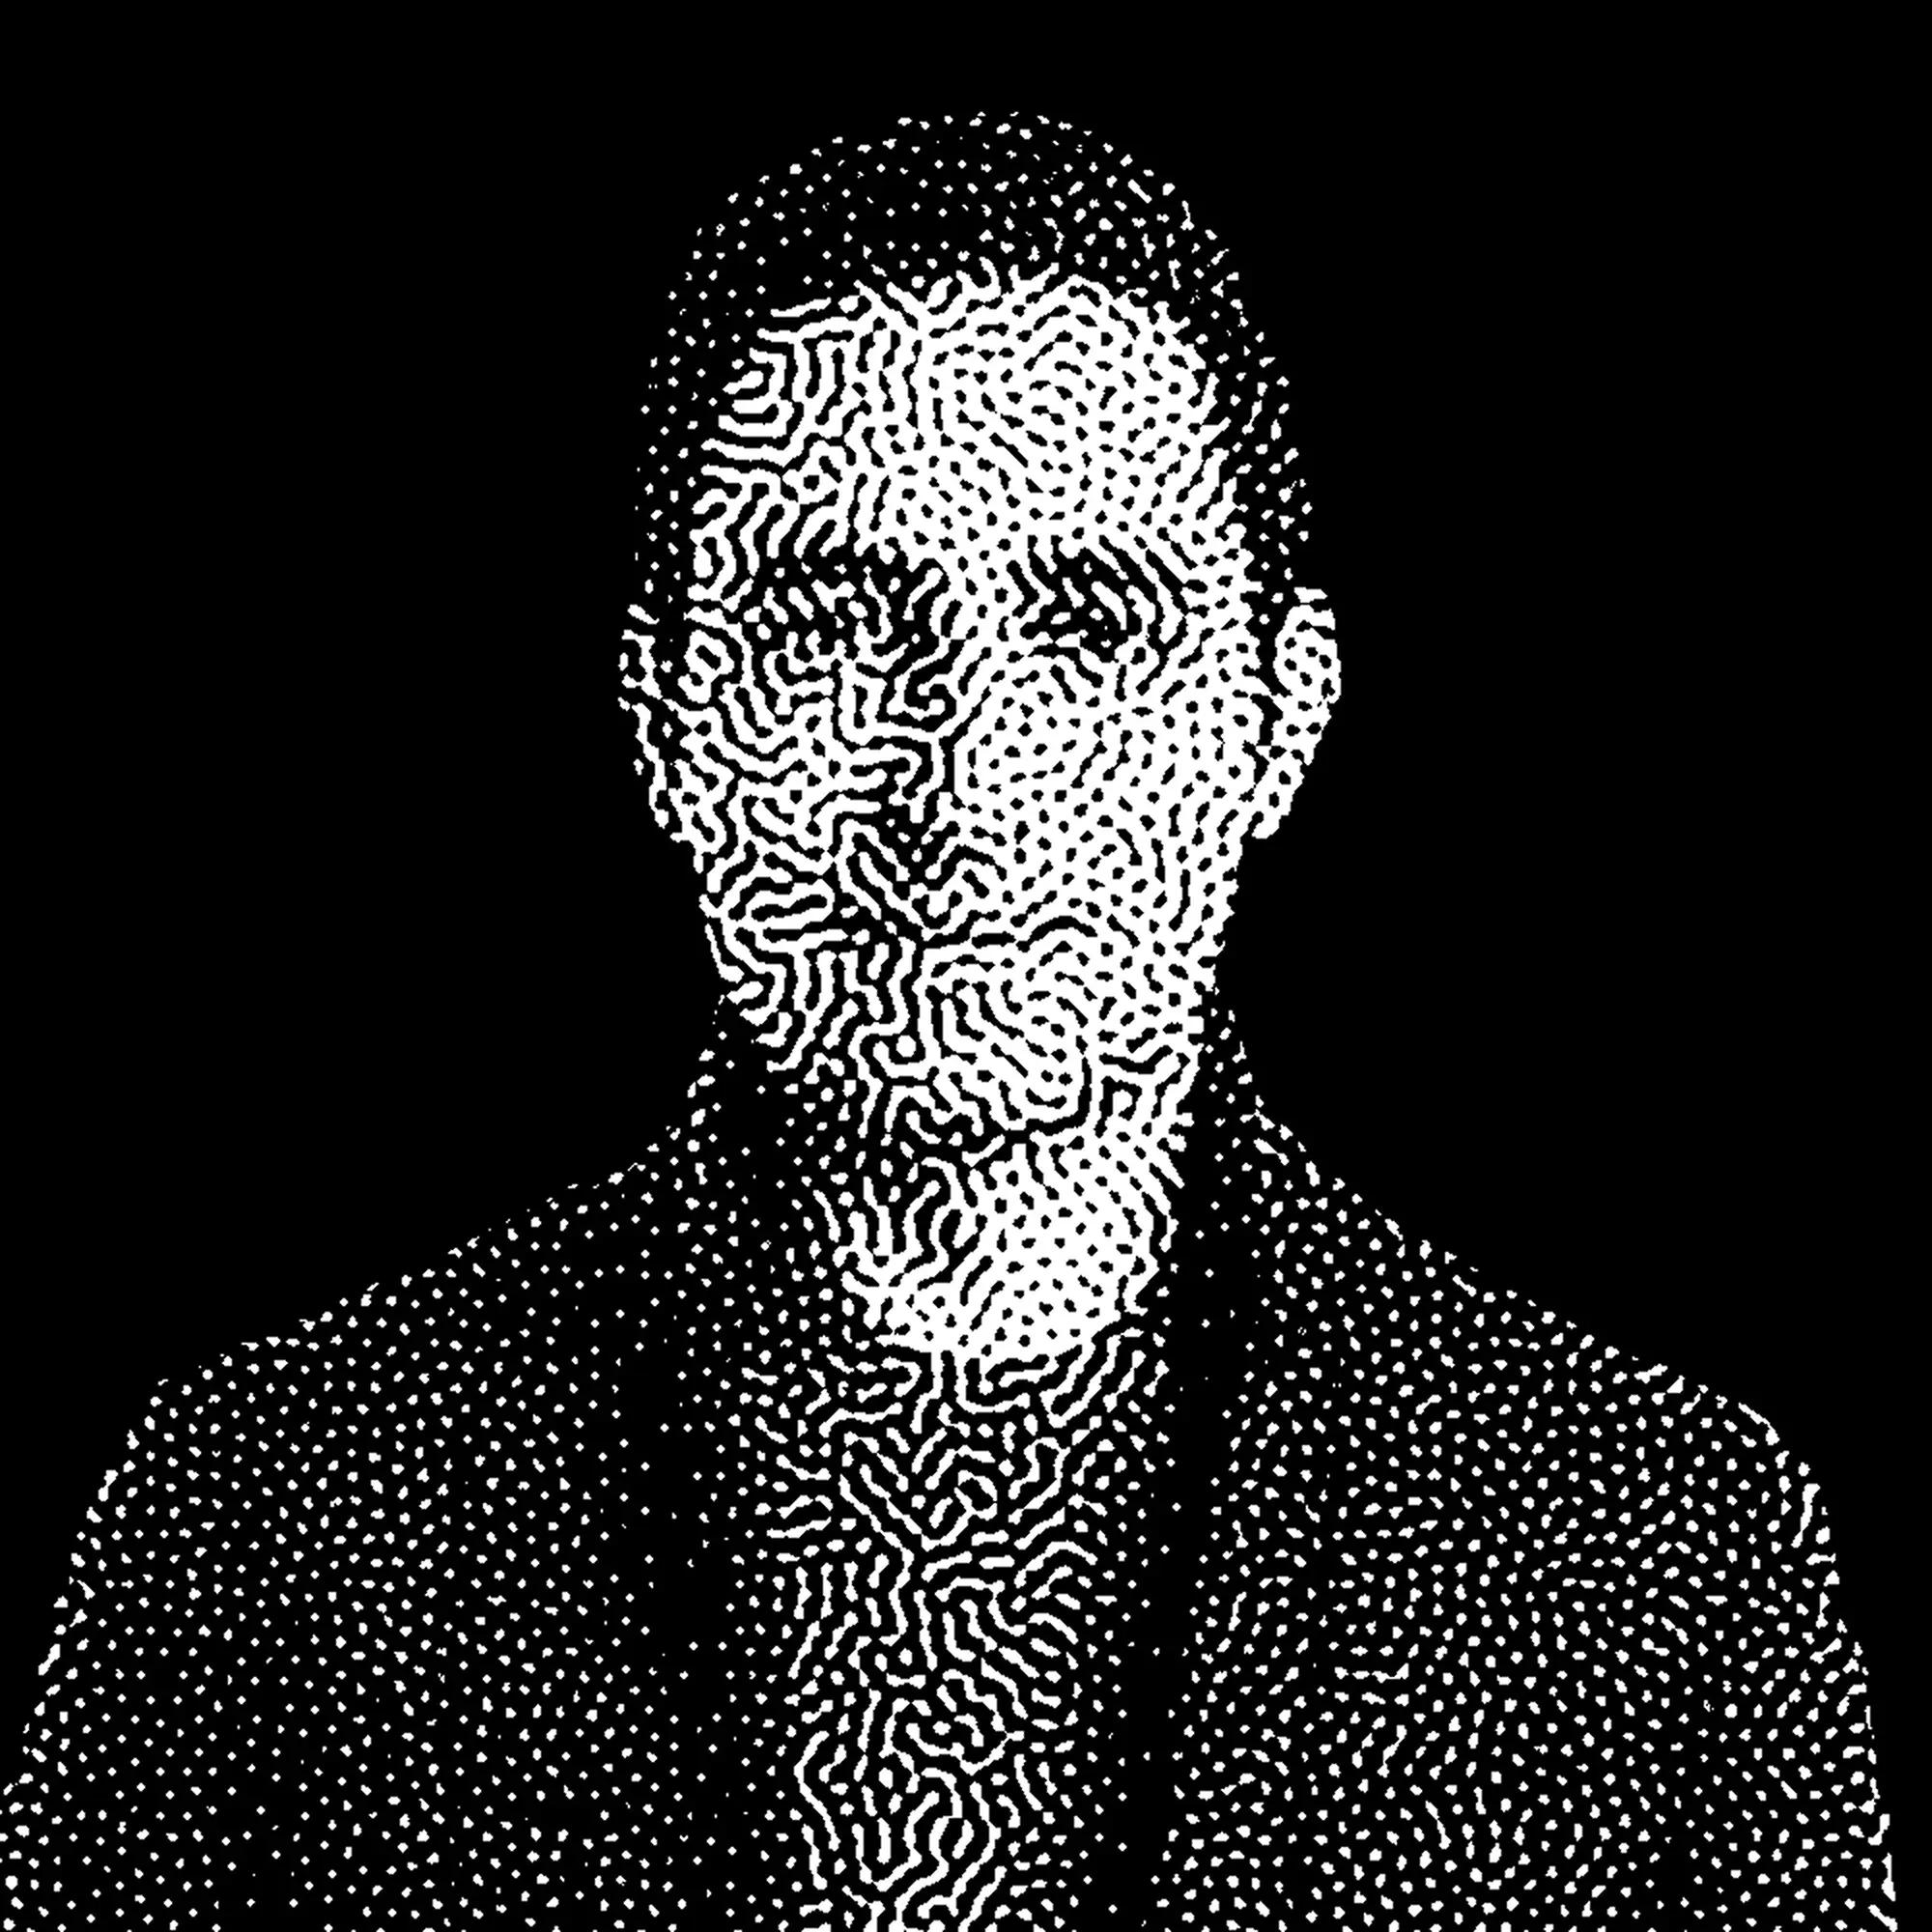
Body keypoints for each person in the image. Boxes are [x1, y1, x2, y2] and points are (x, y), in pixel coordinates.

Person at [5, 115, 1891, 1929]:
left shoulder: (1661, 1548)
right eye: (831, 623)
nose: (968, 779)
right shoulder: (265, 1518)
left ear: (1281, 716)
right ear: (660, 718)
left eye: (1096, 626)